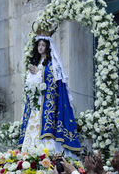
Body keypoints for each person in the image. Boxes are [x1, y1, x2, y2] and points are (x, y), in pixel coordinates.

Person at [18, 27, 81, 155]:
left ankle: (47, 150)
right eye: (39, 45)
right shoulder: (36, 63)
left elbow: (51, 83)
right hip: (37, 102)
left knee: (45, 124)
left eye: (43, 45)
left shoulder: (52, 64)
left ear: (47, 47)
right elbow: (31, 84)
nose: (40, 47)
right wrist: (33, 76)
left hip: (46, 101)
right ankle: (31, 150)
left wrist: (38, 75)